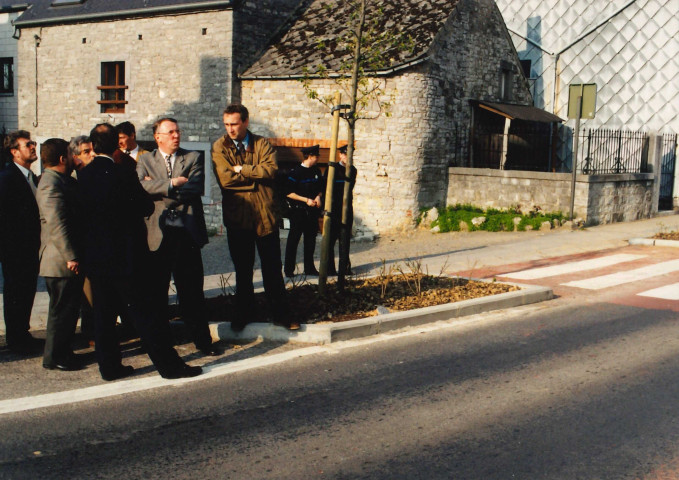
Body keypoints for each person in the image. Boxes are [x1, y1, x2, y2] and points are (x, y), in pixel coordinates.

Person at [78, 123, 201, 381]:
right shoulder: (122, 173)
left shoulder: (85, 175)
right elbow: (145, 206)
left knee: (103, 316)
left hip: (97, 258)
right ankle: (170, 367)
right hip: (126, 256)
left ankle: (110, 367)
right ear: (117, 145)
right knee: (147, 314)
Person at [137, 118, 221, 356]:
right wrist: (173, 183)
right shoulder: (145, 160)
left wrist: (157, 186)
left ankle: (203, 342)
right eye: (170, 132)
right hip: (157, 235)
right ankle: (157, 343)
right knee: (156, 292)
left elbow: (194, 189)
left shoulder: (193, 157)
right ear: (158, 137)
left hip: (186, 234)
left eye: (177, 131)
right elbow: (138, 188)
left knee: (192, 292)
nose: (176, 135)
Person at [211, 104, 297, 331]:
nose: (230, 129)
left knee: (272, 268)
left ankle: (281, 315)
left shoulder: (262, 144)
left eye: (234, 124)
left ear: (246, 122)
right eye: (227, 124)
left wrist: (242, 169)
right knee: (243, 269)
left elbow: (271, 171)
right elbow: (226, 179)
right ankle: (244, 314)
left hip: (264, 216)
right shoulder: (219, 147)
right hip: (238, 217)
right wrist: (254, 174)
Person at [37, 138, 84, 371]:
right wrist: (71, 255)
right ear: (62, 159)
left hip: (65, 258)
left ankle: (63, 352)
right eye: (70, 154)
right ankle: (55, 357)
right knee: (61, 310)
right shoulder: (50, 183)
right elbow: (57, 223)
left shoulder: (62, 180)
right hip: (60, 260)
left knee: (67, 309)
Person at [0, 130, 43, 354]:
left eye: (34, 143)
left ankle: (21, 334)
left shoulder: (30, 177)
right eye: (28, 144)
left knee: (26, 291)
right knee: (16, 291)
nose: (33, 147)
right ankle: (16, 339)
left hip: (29, 248)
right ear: (14, 152)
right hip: (15, 248)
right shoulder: (8, 178)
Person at [284, 144, 323, 276]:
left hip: (312, 213)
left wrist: (318, 197)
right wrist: (306, 200)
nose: (318, 159)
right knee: (293, 241)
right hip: (298, 212)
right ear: (310, 156)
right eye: (316, 156)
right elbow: (289, 193)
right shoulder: (295, 172)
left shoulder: (316, 172)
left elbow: (320, 189)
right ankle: (289, 270)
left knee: (310, 241)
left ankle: (309, 268)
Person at [325, 144, 357, 276]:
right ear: (340, 155)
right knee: (330, 240)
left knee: (345, 240)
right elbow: (326, 189)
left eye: (348, 155)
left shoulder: (353, 170)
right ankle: (329, 268)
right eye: (344, 154)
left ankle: (344, 267)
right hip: (334, 208)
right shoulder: (332, 169)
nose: (346, 157)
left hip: (346, 208)